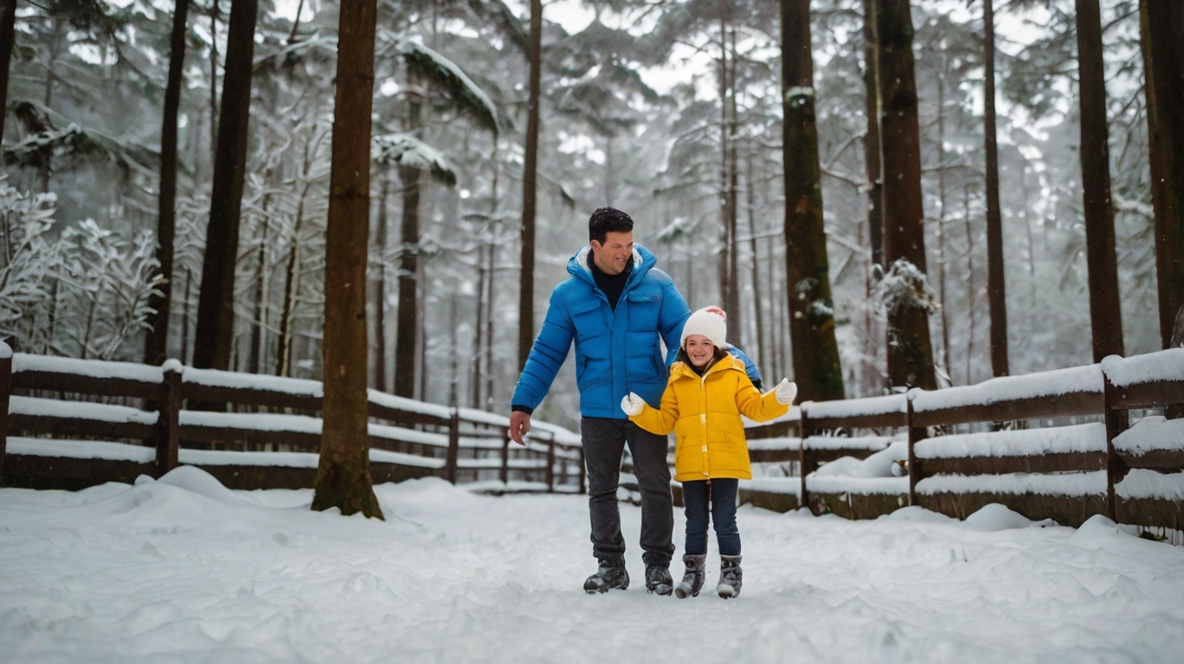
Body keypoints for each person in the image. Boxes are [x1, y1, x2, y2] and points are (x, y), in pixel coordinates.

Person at [510, 207, 760, 595]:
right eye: (616, 246)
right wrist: (523, 403)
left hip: (649, 407)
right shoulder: (568, 296)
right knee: (602, 489)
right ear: (595, 245)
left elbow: (692, 336)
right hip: (598, 408)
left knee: (655, 485)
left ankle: (657, 566)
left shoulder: (656, 285)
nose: (625, 252)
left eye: (628, 243)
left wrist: (746, 370)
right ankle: (610, 565)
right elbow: (547, 352)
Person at [622, 306, 796, 599]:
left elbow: (755, 407)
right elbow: (664, 421)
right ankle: (693, 571)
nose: (698, 349)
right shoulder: (676, 379)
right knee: (696, 520)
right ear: (684, 347)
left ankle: (730, 571)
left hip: (726, 460)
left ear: (717, 346)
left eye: (705, 343)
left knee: (725, 519)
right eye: (692, 343)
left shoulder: (734, 373)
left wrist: (777, 400)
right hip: (692, 462)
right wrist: (640, 412)